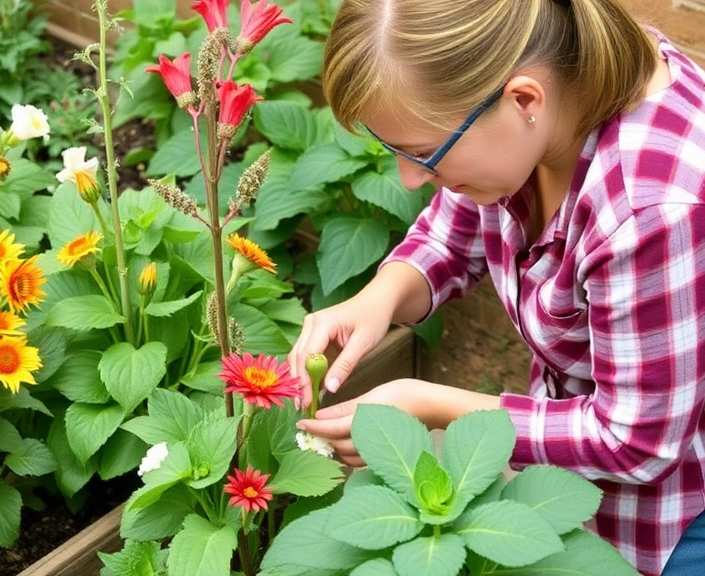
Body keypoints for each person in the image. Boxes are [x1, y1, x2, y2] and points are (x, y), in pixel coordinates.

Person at [287, 1, 705, 574]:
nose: (410, 178)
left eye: (423, 152)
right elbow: (456, 230)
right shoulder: (559, 84)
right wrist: (379, 295)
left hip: (674, 519)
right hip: (574, 474)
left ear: (523, 100)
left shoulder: (652, 211)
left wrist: (432, 405)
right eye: (398, 152)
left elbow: (636, 442)